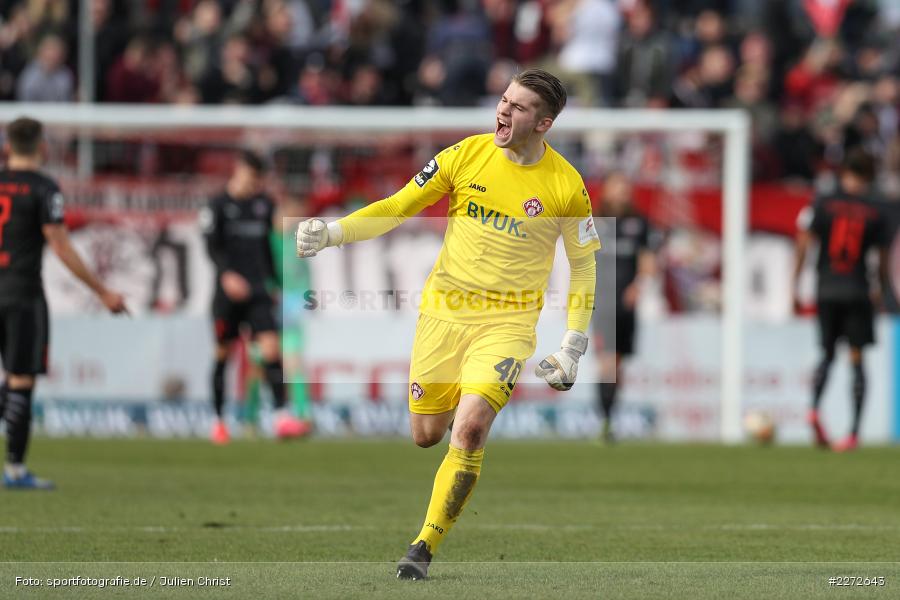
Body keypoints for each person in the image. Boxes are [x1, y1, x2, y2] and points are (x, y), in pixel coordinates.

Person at [296, 69, 600, 579]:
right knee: (426, 434)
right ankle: (462, 405)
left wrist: (573, 343)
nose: (503, 110)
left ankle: (422, 547)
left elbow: (584, 265)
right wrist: (333, 233)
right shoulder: (464, 156)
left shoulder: (566, 186)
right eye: (503, 100)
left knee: (471, 428)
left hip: (507, 324)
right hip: (444, 314)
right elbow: (398, 207)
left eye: (519, 106)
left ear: (543, 123)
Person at [0, 117, 127, 489]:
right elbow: (61, 246)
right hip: (22, 292)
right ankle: (15, 471)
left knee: (14, 383)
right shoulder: (44, 188)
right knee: (21, 380)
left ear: (7, 147)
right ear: (42, 147)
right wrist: (102, 291)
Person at [200, 150, 309, 444]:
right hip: (228, 295)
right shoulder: (217, 206)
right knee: (224, 354)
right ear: (238, 170)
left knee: (272, 351)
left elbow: (266, 247)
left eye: (259, 178)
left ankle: (281, 417)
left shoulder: (263, 205)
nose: (255, 183)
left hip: (259, 292)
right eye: (252, 176)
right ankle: (219, 421)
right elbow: (211, 247)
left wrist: (274, 283)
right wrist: (226, 274)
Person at [793, 148, 891, 452]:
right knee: (857, 358)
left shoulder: (823, 203)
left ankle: (813, 409)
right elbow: (882, 260)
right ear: (869, 176)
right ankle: (853, 432)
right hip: (857, 290)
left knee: (826, 354)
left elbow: (804, 243)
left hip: (826, 289)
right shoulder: (877, 210)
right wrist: (883, 291)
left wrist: (793, 285)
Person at [592, 172, 658, 443]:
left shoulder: (640, 224)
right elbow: (578, 259)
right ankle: (605, 421)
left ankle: (609, 417)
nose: (621, 192)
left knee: (618, 365)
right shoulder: (593, 222)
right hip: (602, 303)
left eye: (625, 187)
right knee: (607, 362)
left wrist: (638, 286)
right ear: (606, 190)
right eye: (616, 187)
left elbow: (648, 261)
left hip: (626, 304)